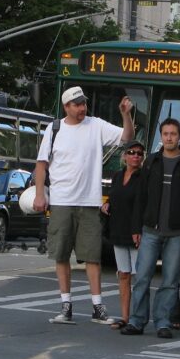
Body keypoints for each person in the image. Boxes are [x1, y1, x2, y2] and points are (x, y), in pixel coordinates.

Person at [33, 86, 134, 325]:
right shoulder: (54, 129)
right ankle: (65, 305)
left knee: (92, 256)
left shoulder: (95, 125)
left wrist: (126, 115)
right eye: (76, 104)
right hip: (61, 200)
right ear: (66, 106)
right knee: (61, 254)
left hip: (89, 201)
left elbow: (127, 138)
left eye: (83, 104)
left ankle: (97, 306)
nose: (82, 108)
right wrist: (39, 194)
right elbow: (41, 164)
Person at [122, 118, 180, 338]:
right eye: (165, 134)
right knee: (142, 278)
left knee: (170, 281)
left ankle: (164, 323)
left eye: (173, 134)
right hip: (150, 230)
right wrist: (136, 228)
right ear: (161, 136)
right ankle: (137, 321)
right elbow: (141, 197)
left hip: (177, 234)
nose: (169, 138)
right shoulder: (151, 162)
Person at [101, 140, 146, 330]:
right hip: (118, 230)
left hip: (136, 233)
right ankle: (125, 317)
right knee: (123, 275)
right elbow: (114, 196)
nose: (135, 155)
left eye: (139, 153)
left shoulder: (144, 177)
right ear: (125, 156)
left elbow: (143, 206)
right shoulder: (118, 176)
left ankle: (137, 318)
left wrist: (141, 230)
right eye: (131, 152)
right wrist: (107, 204)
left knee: (140, 277)